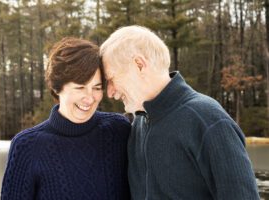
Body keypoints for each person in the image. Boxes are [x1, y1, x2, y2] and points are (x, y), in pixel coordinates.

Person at [100, 25, 260, 200]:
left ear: (139, 65)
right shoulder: (139, 123)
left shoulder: (207, 119)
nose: (109, 92)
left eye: (111, 79)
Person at [1, 37, 131, 200]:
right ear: (57, 88)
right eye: (80, 87)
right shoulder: (27, 147)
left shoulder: (119, 130)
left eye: (96, 88)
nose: (90, 98)